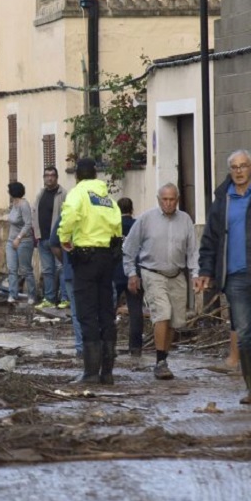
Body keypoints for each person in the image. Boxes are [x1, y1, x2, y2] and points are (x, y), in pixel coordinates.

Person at [197, 149, 251, 404]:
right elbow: (210, 239)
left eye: (243, 166)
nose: (238, 171)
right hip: (235, 277)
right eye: (234, 167)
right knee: (245, 333)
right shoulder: (222, 200)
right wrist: (205, 270)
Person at [123, 185, 199, 380]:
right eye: (164, 199)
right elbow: (129, 247)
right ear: (158, 200)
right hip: (152, 272)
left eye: (172, 199)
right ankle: (159, 361)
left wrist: (196, 274)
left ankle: (164, 357)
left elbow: (192, 251)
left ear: (178, 199)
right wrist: (132, 273)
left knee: (174, 320)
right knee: (162, 314)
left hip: (176, 274)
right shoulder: (146, 219)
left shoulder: (185, 220)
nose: (168, 203)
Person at [57, 158, 122, 384]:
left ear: (77, 176)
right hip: (106, 257)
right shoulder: (105, 197)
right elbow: (117, 224)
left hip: (85, 257)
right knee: (106, 313)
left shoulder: (78, 193)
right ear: (95, 174)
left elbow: (70, 215)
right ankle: (108, 373)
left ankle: (91, 373)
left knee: (86, 313)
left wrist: (64, 238)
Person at [31, 166, 69, 309]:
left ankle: (65, 298)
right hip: (43, 239)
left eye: (52, 175)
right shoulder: (41, 194)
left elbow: (67, 215)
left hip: (57, 240)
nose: (49, 178)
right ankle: (50, 299)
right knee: (47, 271)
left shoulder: (63, 194)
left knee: (61, 268)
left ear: (57, 177)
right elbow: (35, 212)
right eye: (46, 175)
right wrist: (36, 233)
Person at [113, 198, 145, 358]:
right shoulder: (137, 225)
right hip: (134, 273)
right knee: (136, 311)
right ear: (132, 209)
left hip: (116, 273)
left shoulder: (113, 226)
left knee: (109, 311)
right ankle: (136, 347)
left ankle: (109, 344)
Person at [50, 214, 82, 359]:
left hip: (72, 271)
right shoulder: (98, 211)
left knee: (77, 312)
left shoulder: (65, 216)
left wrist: (65, 261)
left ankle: (81, 348)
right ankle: (95, 347)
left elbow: (54, 244)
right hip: (94, 270)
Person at [5, 181, 37, 304]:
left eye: (9, 191)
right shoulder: (13, 204)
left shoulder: (24, 205)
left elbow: (28, 224)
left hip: (24, 241)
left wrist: (19, 238)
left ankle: (32, 295)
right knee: (12, 269)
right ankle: (13, 294)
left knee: (26, 269)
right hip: (11, 241)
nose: (8, 193)